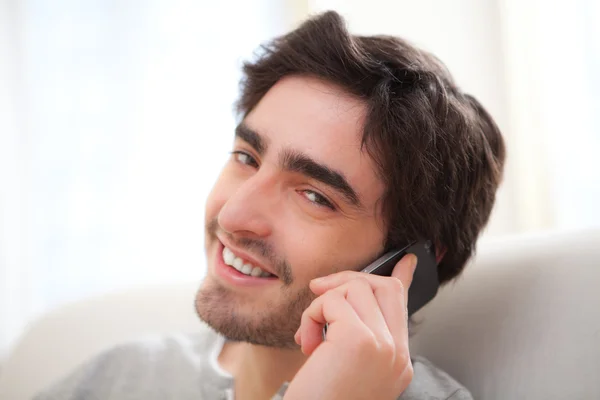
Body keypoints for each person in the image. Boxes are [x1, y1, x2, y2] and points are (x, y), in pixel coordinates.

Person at [35, 10, 505, 400]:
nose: (233, 217)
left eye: (314, 196)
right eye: (246, 157)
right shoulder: (117, 379)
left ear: (409, 264)